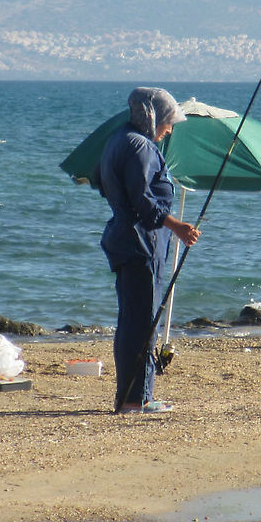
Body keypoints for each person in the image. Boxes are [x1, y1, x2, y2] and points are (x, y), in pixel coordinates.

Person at [97, 87, 200, 413]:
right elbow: (143, 201)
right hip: (142, 244)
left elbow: (105, 184)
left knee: (131, 321)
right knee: (142, 324)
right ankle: (135, 399)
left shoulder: (118, 140)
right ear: (153, 116)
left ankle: (130, 397)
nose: (170, 129)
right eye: (168, 122)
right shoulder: (140, 146)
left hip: (127, 240)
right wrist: (177, 226)